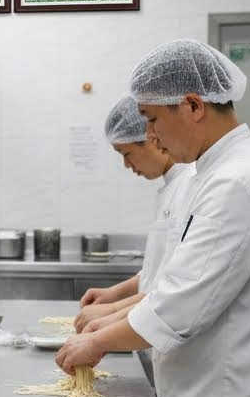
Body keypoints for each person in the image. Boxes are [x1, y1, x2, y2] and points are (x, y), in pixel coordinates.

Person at [55, 39, 250, 397]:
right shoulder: (212, 173)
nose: (153, 136)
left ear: (193, 105)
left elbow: (181, 302)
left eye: (153, 119)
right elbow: (170, 284)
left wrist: (96, 340)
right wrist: (111, 322)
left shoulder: (237, 181)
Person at [75, 96, 196, 336]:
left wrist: (112, 312)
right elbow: (158, 270)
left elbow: (175, 288)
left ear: (152, 138)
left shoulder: (189, 185)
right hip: (152, 331)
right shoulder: (170, 187)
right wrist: (115, 293)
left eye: (126, 153)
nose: (127, 165)